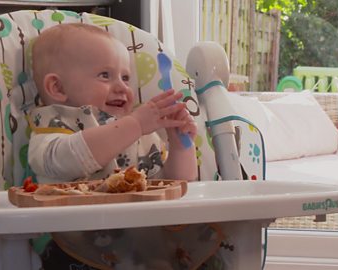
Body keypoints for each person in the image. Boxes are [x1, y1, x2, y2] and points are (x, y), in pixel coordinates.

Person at [29, 23, 224, 269]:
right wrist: (135, 124)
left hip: (140, 245)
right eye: (105, 75)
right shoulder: (54, 128)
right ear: (57, 88)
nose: (122, 87)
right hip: (75, 246)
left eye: (125, 77)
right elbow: (71, 157)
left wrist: (178, 144)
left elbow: (173, 184)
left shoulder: (139, 133)